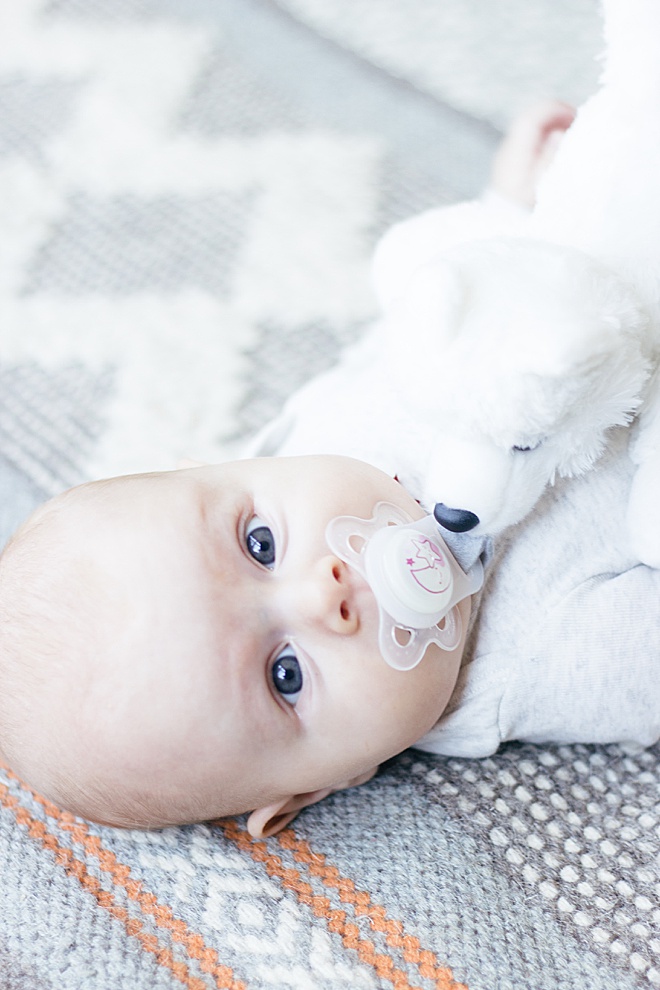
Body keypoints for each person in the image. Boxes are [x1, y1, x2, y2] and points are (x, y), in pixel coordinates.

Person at [5, 101, 656, 840]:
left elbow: (421, 329)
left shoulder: (308, 442)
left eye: (259, 545)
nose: (323, 592)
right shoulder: (530, 667)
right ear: (323, 783)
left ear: (228, 463)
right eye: (286, 676)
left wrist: (504, 212)